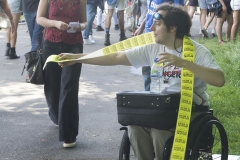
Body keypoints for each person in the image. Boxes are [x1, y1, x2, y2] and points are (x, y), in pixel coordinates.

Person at [58, 3, 225, 159]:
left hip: (190, 110)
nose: (151, 28)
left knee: (160, 131)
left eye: (157, 25)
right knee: (135, 127)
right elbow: (116, 56)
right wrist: (78, 58)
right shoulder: (153, 48)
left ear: (173, 28)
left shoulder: (197, 52)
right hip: (160, 109)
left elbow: (219, 80)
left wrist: (184, 63)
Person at [36, 0, 87, 148]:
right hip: (51, 44)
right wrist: (55, 23)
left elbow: (84, 21)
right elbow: (39, 18)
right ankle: (58, 117)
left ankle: (68, 135)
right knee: (52, 87)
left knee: (69, 88)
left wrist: (80, 26)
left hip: (74, 45)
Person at [134, 0, 184, 92]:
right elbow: (151, 13)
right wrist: (142, 27)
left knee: (159, 73)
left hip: (163, 39)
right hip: (149, 36)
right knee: (146, 70)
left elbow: (179, 16)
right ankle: (148, 96)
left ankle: (160, 99)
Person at [19, 0, 44, 82]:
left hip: (40, 8)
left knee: (36, 41)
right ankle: (37, 69)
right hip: (27, 8)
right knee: (35, 41)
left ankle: (31, 71)